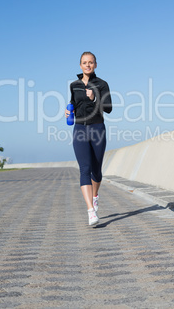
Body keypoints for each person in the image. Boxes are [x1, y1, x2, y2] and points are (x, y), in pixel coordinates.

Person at [65, 52, 112, 226]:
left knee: (96, 170)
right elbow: (74, 104)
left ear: (95, 65)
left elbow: (108, 108)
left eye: (90, 62)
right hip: (79, 129)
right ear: (80, 65)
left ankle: (95, 195)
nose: (87, 65)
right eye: (84, 63)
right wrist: (68, 112)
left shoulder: (102, 84)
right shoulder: (74, 85)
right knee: (84, 169)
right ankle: (91, 211)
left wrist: (95, 98)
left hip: (97, 128)